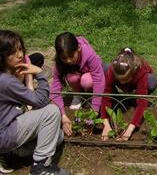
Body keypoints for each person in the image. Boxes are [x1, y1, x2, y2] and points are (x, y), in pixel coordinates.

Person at [0, 30, 68, 175]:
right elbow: (41, 101)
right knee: (51, 112)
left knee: (58, 136)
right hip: (5, 135)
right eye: (12, 52)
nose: (19, 55)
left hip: (6, 131)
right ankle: (40, 167)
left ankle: (12, 155)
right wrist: (39, 73)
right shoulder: (6, 81)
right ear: (2, 56)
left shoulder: (6, 77)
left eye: (20, 49)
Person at [50, 32, 105, 137]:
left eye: (71, 56)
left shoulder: (89, 55)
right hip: (76, 75)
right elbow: (55, 89)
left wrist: (94, 110)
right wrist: (63, 115)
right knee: (72, 77)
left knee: (86, 80)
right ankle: (77, 95)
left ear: (78, 48)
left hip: (89, 77)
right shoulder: (59, 62)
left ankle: (89, 96)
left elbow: (99, 81)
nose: (68, 61)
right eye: (64, 58)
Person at [101, 48, 157, 141]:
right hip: (124, 81)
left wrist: (129, 130)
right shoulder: (113, 69)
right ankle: (117, 97)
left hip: (137, 84)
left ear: (132, 73)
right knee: (104, 67)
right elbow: (105, 97)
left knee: (151, 81)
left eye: (125, 80)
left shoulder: (140, 70)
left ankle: (133, 97)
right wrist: (106, 124)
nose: (122, 83)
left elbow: (142, 102)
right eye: (120, 80)